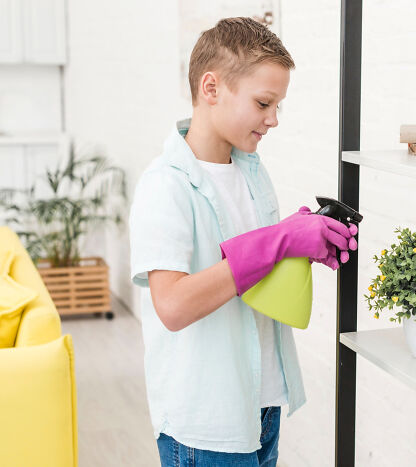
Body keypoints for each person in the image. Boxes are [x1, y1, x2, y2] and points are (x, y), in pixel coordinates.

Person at [129, 17, 357, 467]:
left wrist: (296, 243)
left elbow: (251, 275)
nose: (273, 120)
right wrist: (277, 241)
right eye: (263, 103)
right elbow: (172, 306)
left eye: (278, 106)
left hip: (262, 401)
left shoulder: (252, 172)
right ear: (211, 88)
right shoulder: (165, 186)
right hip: (205, 424)